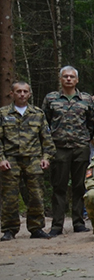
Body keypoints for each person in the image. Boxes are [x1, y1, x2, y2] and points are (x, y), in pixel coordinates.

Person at [42, 65, 94, 235]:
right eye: (65, 76)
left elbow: (92, 121)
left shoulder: (86, 99)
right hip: (59, 148)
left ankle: (78, 222)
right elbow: (45, 122)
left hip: (80, 147)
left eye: (71, 77)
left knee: (79, 186)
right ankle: (57, 224)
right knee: (59, 186)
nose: (68, 79)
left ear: (77, 80)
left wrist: (86, 139)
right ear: (60, 79)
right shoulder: (51, 98)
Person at [0, 81, 54, 241]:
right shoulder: (3, 113)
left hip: (33, 160)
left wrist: (46, 157)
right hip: (11, 160)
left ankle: (36, 228)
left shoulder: (37, 113)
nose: (22, 94)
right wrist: (1, 159)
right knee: (9, 196)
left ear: (29, 94)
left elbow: (46, 138)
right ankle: (9, 229)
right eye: (18, 92)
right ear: (12, 94)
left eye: (25, 92)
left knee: (36, 195)